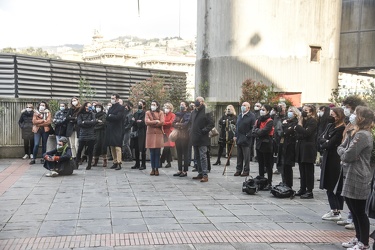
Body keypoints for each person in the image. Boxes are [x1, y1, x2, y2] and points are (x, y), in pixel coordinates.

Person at [338, 106, 374, 250]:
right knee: (353, 210)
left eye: (355, 114)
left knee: (359, 211)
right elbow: (342, 148)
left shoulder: (363, 135)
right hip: (350, 173)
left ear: (361, 118)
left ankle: (363, 242)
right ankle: (358, 237)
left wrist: (344, 152)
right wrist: (344, 151)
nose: (352, 116)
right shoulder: (355, 132)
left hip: (358, 176)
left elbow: (348, 155)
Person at [337, 96, 366, 229]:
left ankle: (353, 219)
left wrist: (344, 152)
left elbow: (350, 150)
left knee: (355, 196)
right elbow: (343, 144)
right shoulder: (349, 123)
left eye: (347, 107)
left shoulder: (362, 131)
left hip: (355, 165)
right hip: (345, 161)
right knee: (346, 193)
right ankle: (350, 216)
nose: (345, 109)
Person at [319, 108, 346, 221]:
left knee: (333, 184)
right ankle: (334, 209)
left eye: (333, 115)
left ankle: (336, 211)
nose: (331, 117)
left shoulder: (342, 128)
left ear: (339, 115)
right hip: (327, 157)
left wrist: (326, 141)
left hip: (335, 159)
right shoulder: (330, 125)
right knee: (328, 184)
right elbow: (320, 138)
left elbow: (331, 143)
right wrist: (325, 141)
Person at [295, 104, 318, 199]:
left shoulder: (313, 121)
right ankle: (302, 188)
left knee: (308, 170)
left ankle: (309, 190)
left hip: (308, 148)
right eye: (303, 110)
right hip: (301, 147)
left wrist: (298, 126)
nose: (304, 112)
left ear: (311, 112)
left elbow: (307, 133)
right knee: (302, 169)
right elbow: (299, 135)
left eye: (306, 110)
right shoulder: (303, 121)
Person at [190, 96, 214, 182]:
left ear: (202, 102)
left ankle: (205, 174)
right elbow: (191, 123)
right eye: (196, 100)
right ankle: (200, 173)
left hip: (203, 138)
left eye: (198, 101)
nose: (196, 102)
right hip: (194, 137)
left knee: (203, 156)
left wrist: (203, 131)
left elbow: (211, 124)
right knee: (197, 156)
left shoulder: (207, 111)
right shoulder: (193, 112)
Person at [252, 104, 274, 190]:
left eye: (263, 109)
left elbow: (264, 132)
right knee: (260, 164)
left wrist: (258, 131)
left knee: (268, 165)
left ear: (268, 111)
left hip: (267, 144)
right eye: (261, 109)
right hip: (259, 144)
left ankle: (269, 182)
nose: (261, 111)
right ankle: (261, 181)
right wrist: (258, 131)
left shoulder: (270, 121)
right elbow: (253, 131)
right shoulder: (258, 120)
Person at [233, 102, 255, 177]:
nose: (243, 106)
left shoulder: (251, 116)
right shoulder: (240, 115)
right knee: (239, 156)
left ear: (248, 107)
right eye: (242, 105)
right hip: (239, 138)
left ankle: (246, 170)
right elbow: (237, 126)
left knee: (246, 156)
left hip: (246, 139)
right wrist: (235, 135)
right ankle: (238, 170)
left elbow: (253, 128)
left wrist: (247, 135)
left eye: (244, 105)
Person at [280, 106, 300, 188]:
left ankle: (289, 184)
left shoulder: (295, 122)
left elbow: (287, 132)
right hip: (284, 145)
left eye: (291, 111)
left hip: (291, 145)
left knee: (288, 165)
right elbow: (281, 133)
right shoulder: (286, 121)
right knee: (283, 165)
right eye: (289, 111)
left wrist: (285, 126)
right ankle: (284, 182)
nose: (289, 113)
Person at [105, 93, 125, 170]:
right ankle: (115, 161)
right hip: (110, 128)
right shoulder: (110, 108)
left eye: (113, 98)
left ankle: (119, 162)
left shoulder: (121, 107)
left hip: (118, 128)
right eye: (111, 98)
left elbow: (118, 117)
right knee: (112, 146)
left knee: (117, 146)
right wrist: (111, 116)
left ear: (117, 99)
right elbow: (107, 117)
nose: (112, 99)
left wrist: (111, 116)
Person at [145, 100, 165, 176]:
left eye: (154, 104)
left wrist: (152, 122)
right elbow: (146, 122)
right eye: (151, 104)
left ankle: (157, 168)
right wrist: (156, 121)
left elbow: (162, 122)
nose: (152, 106)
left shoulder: (161, 112)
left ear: (157, 105)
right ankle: (152, 168)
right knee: (152, 152)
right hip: (150, 134)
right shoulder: (147, 112)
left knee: (157, 152)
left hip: (158, 134)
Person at [172, 101, 191, 177]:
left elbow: (186, 124)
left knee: (185, 153)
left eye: (183, 105)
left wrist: (178, 124)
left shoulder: (188, 114)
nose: (181, 106)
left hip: (185, 136)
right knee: (179, 153)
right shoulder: (177, 114)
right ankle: (179, 169)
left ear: (186, 106)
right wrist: (179, 125)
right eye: (180, 105)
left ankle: (185, 171)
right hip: (178, 136)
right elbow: (173, 123)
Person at [76, 102, 96, 170]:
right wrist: (88, 123)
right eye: (88, 106)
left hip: (91, 134)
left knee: (90, 151)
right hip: (83, 134)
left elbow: (94, 122)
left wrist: (84, 122)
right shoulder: (80, 114)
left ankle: (89, 164)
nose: (90, 107)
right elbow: (79, 123)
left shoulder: (92, 114)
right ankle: (76, 163)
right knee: (79, 149)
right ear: (85, 107)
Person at [131, 100, 147, 170]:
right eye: (138, 104)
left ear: (143, 105)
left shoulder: (145, 113)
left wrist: (137, 121)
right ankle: (137, 163)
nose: (139, 105)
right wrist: (137, 121)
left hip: (142, 133)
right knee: (136, 148)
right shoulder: (135, 113)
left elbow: (143, 123)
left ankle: (143, 164)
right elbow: (132, 122)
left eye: (140, 104)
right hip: (135, 132)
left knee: (142, 148)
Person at [160, 102, 176, 168]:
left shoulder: (173, 115)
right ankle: (168, 162)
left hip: (170, 132)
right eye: (165, 107)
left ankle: (161, 161)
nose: (165, 109)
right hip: (164, 132)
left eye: (167, 107)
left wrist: (163, 123)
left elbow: (171, 123)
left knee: (167, 147)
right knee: (167, 147)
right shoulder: (163, 114)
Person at [92, 103, 107, 167]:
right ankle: (95, 160)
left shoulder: (104, 115)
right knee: (96, 146)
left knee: (103, 146)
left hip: (102, 133)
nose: (97, 108)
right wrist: (97, 121)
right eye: (96, 107)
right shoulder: (94, 114)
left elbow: (103, 123)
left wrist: (95, 124)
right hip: (95, 133)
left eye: (99, 107)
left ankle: (105, 160)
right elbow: (92, 122)